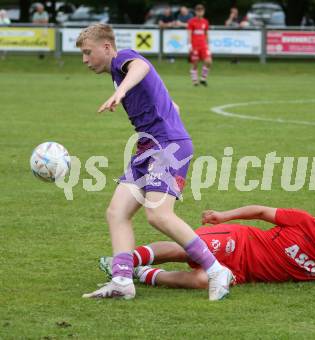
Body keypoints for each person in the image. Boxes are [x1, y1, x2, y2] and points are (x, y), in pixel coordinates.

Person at [75, 24, 233, 301]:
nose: (85, 60)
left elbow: (141, 68)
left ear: (107, 48)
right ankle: (122, 280)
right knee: (116, 212)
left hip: (166, 146)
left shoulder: (125, 59)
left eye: (88, 53)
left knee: (158, 214)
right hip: (149, 146)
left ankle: (217, 270)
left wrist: (121, 92)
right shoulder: (116, 71)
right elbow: (173, 105)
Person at [98, 206, 315, 289]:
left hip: (239, 273)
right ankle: (124, 262)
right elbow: (260, 212)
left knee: (204, 282)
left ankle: (146, 276)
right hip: (239, 240)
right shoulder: (303, 222)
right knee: (190, 248)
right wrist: (221, 216)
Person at [187, 4, 211, 86]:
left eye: (201, 11)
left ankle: (203, 78)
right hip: (195, 46)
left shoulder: (205, 22)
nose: (200, 12)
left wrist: (208, 45)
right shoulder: (191, 22)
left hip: (203, 45)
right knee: (195, 63)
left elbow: (207, 34)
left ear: (203, 12)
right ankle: (194, 81)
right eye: (198, 11)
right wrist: (189, 45)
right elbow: (189, 34)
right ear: (195, 12)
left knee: (208, 61)